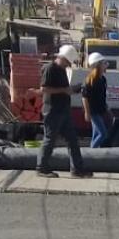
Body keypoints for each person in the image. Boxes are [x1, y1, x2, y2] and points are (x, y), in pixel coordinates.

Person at [38, 44, 91, 178]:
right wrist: (64, 90)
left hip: (63, 110)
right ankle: (41, 168)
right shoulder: (50, 68)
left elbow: (63, 89)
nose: (68, 64)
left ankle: (77, 169)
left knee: (72, 140)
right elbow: (44, 89)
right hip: (52, 109)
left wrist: (74, 89)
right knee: (49, 139)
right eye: (68, 62)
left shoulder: (62, 70)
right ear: (62, 58)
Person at [81, 52, 112, 149]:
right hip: (93, 111)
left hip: (100, 110)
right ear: (98, 65)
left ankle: (93, 152)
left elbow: (102, 96)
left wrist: (106, 108)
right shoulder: (90, 80)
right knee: (103, 133)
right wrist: (87, 112)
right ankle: (91, 152)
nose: (105, 66)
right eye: (103, 63)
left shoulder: (102, 79)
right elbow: (85, 97)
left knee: (96, 134)